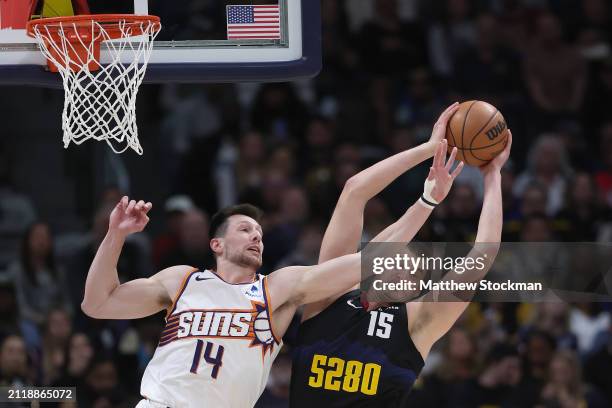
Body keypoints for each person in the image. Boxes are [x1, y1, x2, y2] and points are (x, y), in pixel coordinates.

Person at [80, 108, 464, 408]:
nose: (256, 236)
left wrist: (427, 198)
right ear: (216, 244)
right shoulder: (181, 281)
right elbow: (98, 303)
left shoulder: (277, 290)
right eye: (245, 228)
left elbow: (370, 261)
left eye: (260, 233)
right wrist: (115, 236)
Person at [289, 114, 511, 406]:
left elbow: (482, 254)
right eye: (398, 262)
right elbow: (355, 191)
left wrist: (492, 175)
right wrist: (429, 148)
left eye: (414, 274)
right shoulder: (328, 293)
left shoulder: (417, 323)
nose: (403, 273)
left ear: (416, 291)